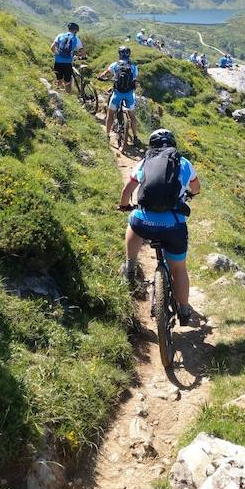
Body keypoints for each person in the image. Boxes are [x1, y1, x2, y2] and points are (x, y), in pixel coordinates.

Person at [119, 129, 201, 326]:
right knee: (179, 269)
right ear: (173, 144)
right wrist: (190, 194)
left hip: (144, 223)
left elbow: (127, 190)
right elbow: (196, 188)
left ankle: (130, 266)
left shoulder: (144, 162)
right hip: (173, 226)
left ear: (152, 145)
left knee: (133, 223)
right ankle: (184, 310)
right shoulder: (184, 163)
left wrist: (124, 205)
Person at [98, 45, 141, 146]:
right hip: (129, 95)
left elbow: (105, 74)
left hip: (117, 94)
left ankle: (107, 135)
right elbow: (135, 79)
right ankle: (135, 137)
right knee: (132, 116)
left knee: (110, 114)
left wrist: (101, 76)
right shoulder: (133, 67)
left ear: (119, 54)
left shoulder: (115, 65)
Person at [50, 22, 85, 93]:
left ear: (68, 29)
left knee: (59, 79)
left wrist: (57, 54)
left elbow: (52, 47)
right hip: (67, 63)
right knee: (67, 82)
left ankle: (58, 92)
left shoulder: (60, 35)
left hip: (57, 62)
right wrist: (82, 56)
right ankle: (68, 94)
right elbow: (82, 51)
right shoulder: (76, 38)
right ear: (76, 31)